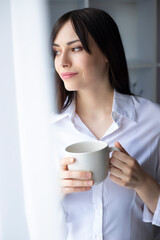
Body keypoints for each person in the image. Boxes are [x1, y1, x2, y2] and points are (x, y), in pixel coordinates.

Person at [50, 8, 160, 240]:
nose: (63, 62)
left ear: (108, 52)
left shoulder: (154, 121)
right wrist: (50, 192)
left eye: (76, 48)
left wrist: (145, 183)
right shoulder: (45, 130)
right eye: (57, 52)